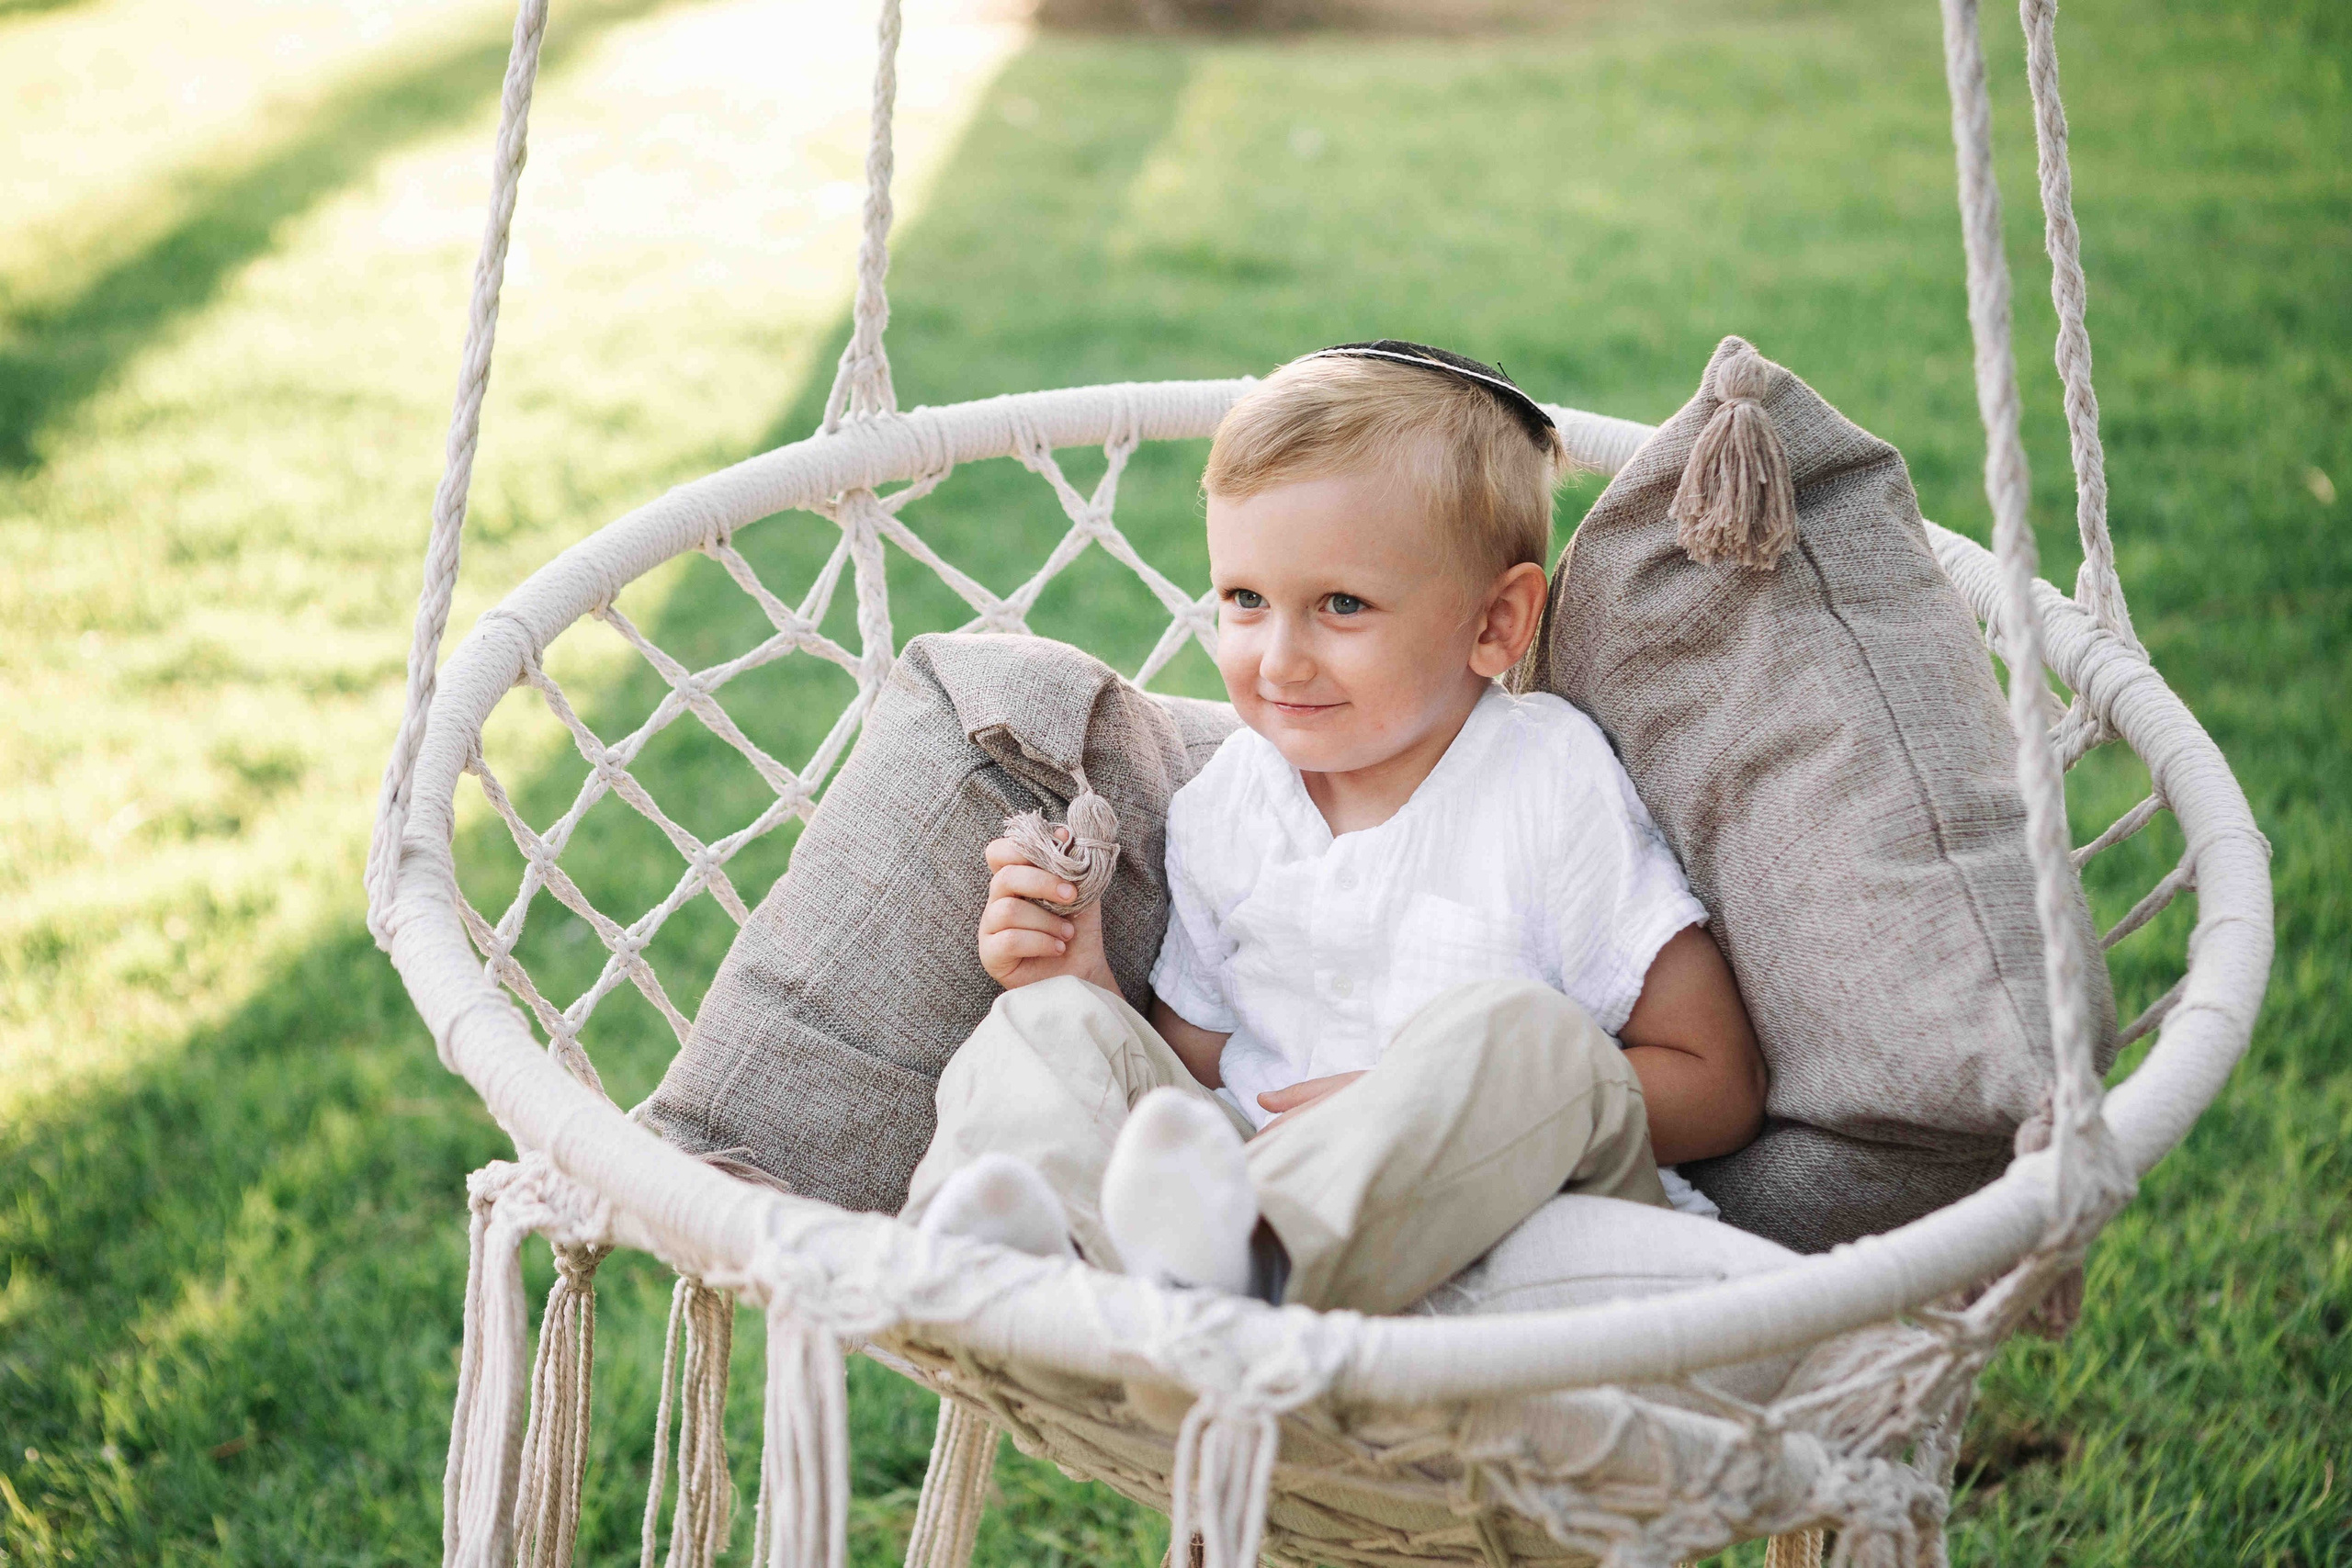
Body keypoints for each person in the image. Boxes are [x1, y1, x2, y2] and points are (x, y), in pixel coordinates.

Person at [900, 342, 1766, 1314]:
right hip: (1234, 1212)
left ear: (1495, 623)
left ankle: (1250, 1272)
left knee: (1520, 1035)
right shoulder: (1227, 803)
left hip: (1514, 1253)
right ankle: (1004, 1270)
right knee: (1046, 1024)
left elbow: (1717, 1083)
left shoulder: (1548, 780)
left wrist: (1414, 1108)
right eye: (1244, 601)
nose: (1279, 659)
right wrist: (1085, 983)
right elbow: (1193, 1079)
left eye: (1341, 606)